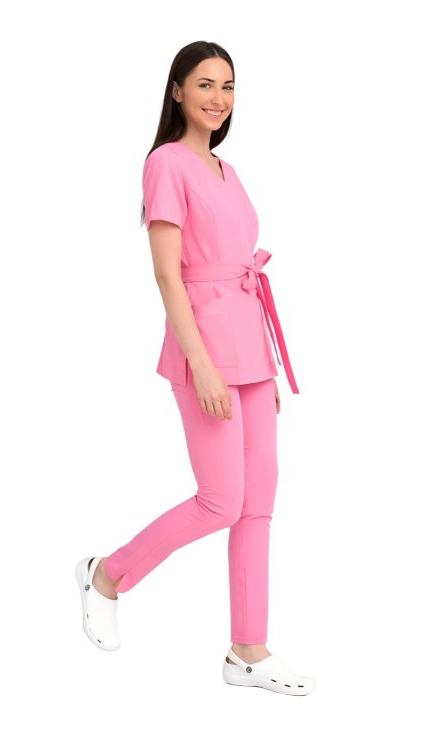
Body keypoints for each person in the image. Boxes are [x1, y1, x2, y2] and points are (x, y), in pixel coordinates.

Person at [75, 41, 315, 696]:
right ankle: (106, 575)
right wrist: (203, 366)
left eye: (228, 86)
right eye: (205, 84)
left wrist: (264, 367)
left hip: (251, 351)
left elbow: (240, 275)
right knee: (220, 501)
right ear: (177, 90)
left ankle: (248, 651)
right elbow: (167, 274)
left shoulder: (226, 170)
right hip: (203, 347)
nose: (218, 98)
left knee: (258, 504)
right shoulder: (166, 164)